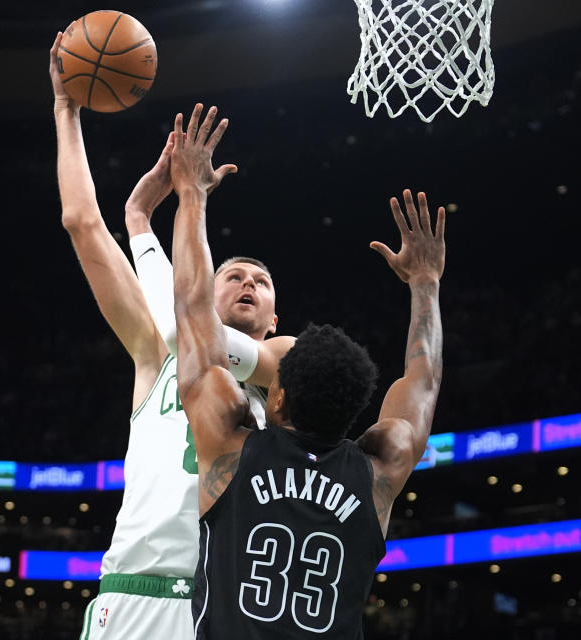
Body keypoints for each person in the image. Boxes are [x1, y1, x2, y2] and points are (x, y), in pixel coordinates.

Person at [47, 33, 293, 640]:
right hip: (129, 598)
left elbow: (202, 333)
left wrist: (187, 203)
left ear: (273, 319)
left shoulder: (287, 371)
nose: (247, 284)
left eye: (261, 284)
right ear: (200, 289)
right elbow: (80, 222)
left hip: (222, 606)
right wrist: (67, 109)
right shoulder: (155, 358)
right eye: (233, 275)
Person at [168, 102, 445, 638]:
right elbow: (423, 382)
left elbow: (190, 307)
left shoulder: (230, 444)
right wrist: (427, 285)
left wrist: (192, 195)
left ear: (276, 397)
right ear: (358, 412)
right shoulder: (377, 472)